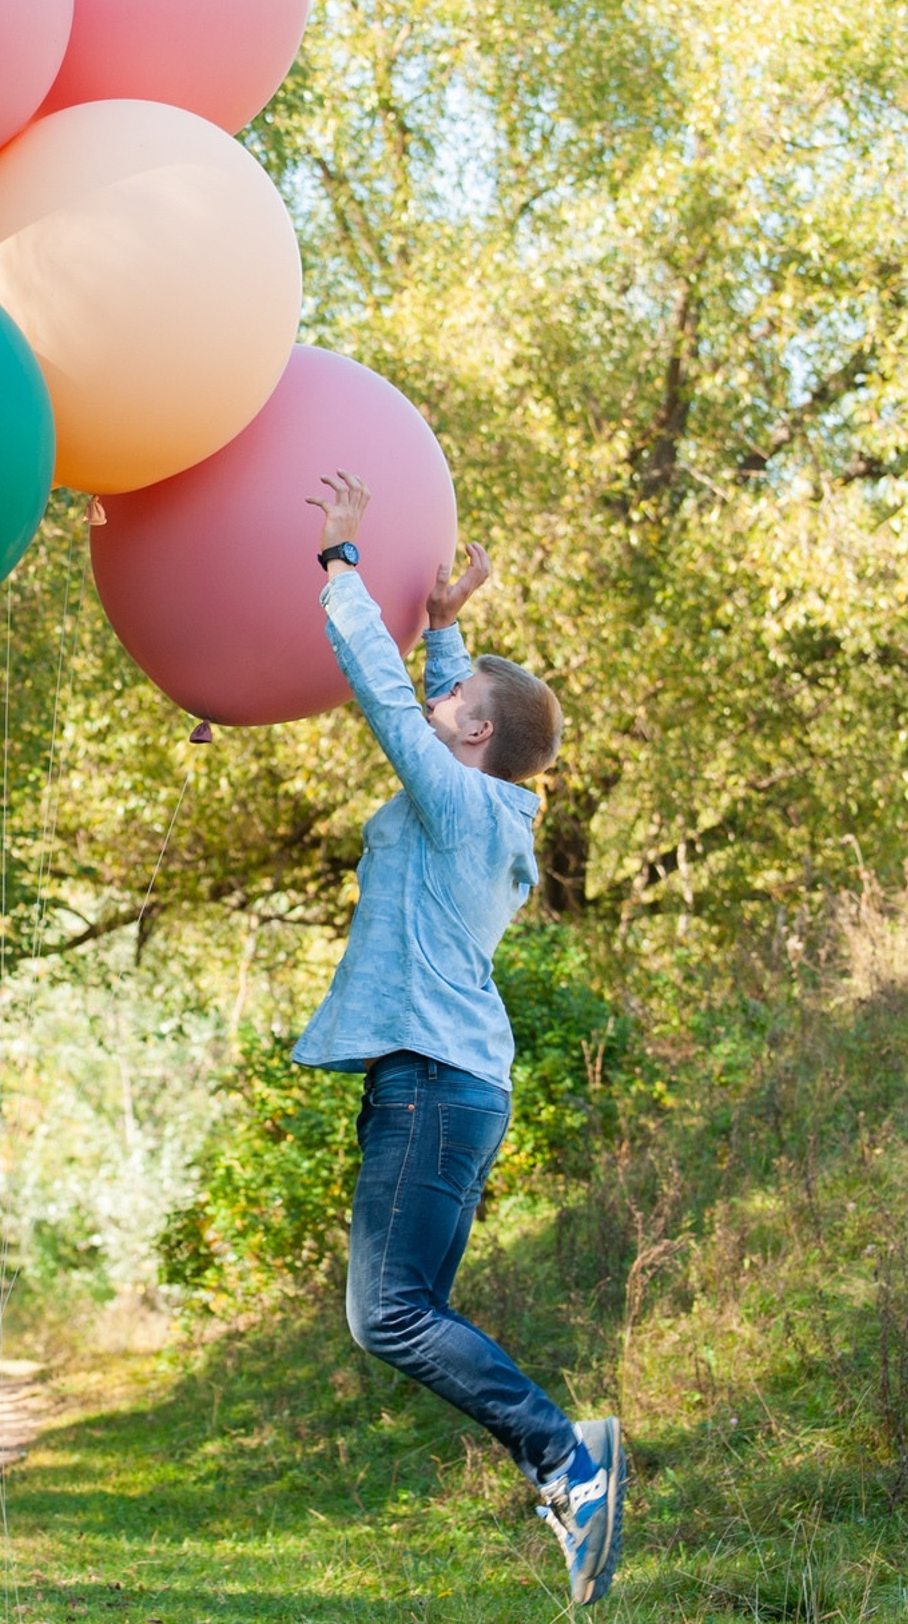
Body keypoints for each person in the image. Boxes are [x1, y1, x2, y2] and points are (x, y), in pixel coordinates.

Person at [296, 471, 625, 1607]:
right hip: (453, 1082)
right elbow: (446, 705)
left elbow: (397, 707)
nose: (443, 701)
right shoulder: (488, 806)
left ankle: (567, 1460)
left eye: (460, 697)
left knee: (388, 1315)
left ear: (474, 732)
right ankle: (565, 1471)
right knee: (406, 1313)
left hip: (433, 1084)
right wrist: (447, 628)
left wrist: (340, 562)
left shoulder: (460, 799)